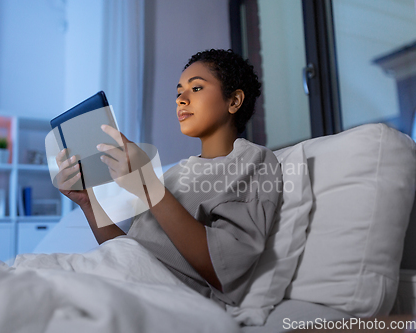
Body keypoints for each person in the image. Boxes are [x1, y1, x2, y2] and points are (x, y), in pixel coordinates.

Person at [55, 49, 282, 308]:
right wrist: (88, 201)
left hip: (158, 300)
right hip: (118, 279)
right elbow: (127, 252)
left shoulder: (253, 160)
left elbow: (226, 271)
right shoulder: (175, 174)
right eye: (178, 92)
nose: (181, 100)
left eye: (196, 88)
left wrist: (148, 186)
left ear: (234, 101)